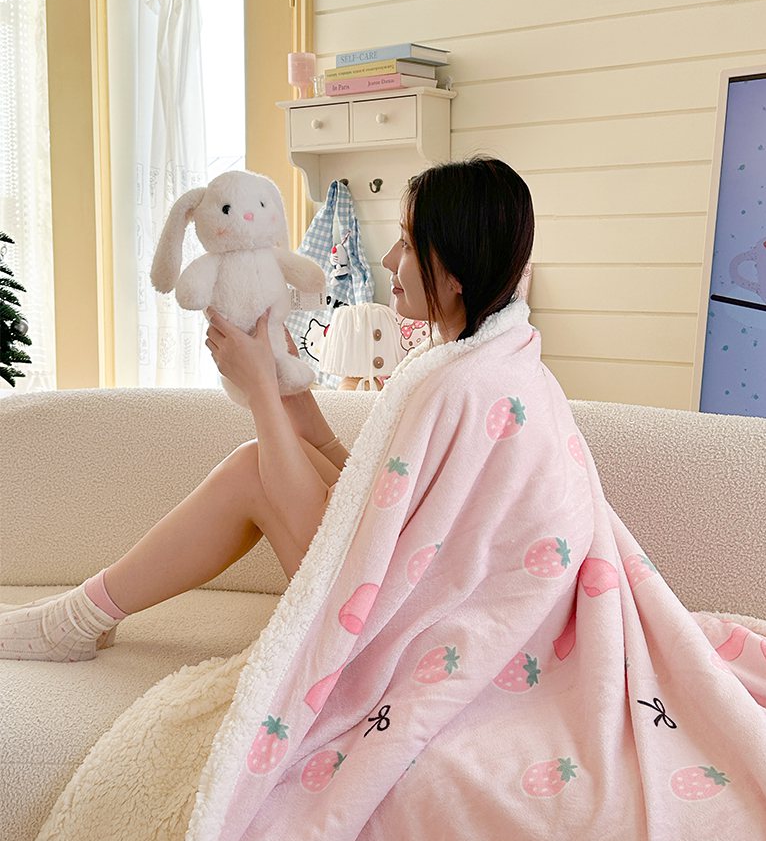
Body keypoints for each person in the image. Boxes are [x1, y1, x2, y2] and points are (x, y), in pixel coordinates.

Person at [0, 156, 534, 663]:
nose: (390, 260)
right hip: (401, 582)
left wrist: (260, 388)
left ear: (455, 272)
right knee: (256, 458)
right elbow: (374, 497)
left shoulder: (460, 387)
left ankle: (76, 619)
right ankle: (84, 614)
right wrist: (285, 388)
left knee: (253, 472)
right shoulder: (470, 358)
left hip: (397, 623)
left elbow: (345, 524)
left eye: (408, 244)